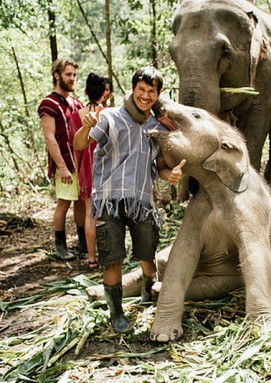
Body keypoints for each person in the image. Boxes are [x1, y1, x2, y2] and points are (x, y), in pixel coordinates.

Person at [73, 66, 185, 334]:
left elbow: (159, 167)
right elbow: (79, 144)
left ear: (158, 94)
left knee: (147, 256)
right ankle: (117, 314)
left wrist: (171, 175)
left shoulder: (157, 126)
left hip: (142, 200)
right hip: (109, 200)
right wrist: (84, 128)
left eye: (151, 91)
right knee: (113, 260)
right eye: (141, 90)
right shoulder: (110, 116)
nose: (145, 96)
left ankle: (147, 297)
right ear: (133, 89)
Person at [38, 58, 86, 260]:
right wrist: (62, 167)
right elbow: (50, 137)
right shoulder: (48, 104)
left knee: (82, 202)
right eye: (68, 74)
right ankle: (60, 247)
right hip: (65, 163)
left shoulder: (76, 103)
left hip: (81, 163)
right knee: (64, 203)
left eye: (74, 75)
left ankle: (83, 243)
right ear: (57, 75)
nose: (72, 78)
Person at [68, 73, 110, 270]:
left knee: (90, 214)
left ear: (85, 91)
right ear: (104, 92)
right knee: (110, 212)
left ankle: (92, 259)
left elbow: (75, 145)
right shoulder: (109, 112)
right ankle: (109, 255)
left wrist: (79, 173)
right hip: (107, 167)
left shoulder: (77, 116)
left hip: (86, 168)